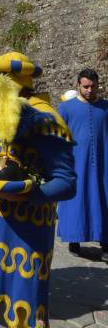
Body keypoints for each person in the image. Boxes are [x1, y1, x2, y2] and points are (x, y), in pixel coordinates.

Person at [0, 52, 76, 328]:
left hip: (25, 233)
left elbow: (67, 182)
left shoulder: (46, 119)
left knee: (23, 313)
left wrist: (27, 194)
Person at [57, 69, 108, 262]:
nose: (89, 90)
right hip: (76, 162)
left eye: (93, 86)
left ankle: (105, 244)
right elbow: (60, 137)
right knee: (76, 201)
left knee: (104, 200)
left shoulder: (106, 107)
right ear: (78, 84)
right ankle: (74, 240)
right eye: (85, 86)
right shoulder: (66, 108)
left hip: (104, 163)